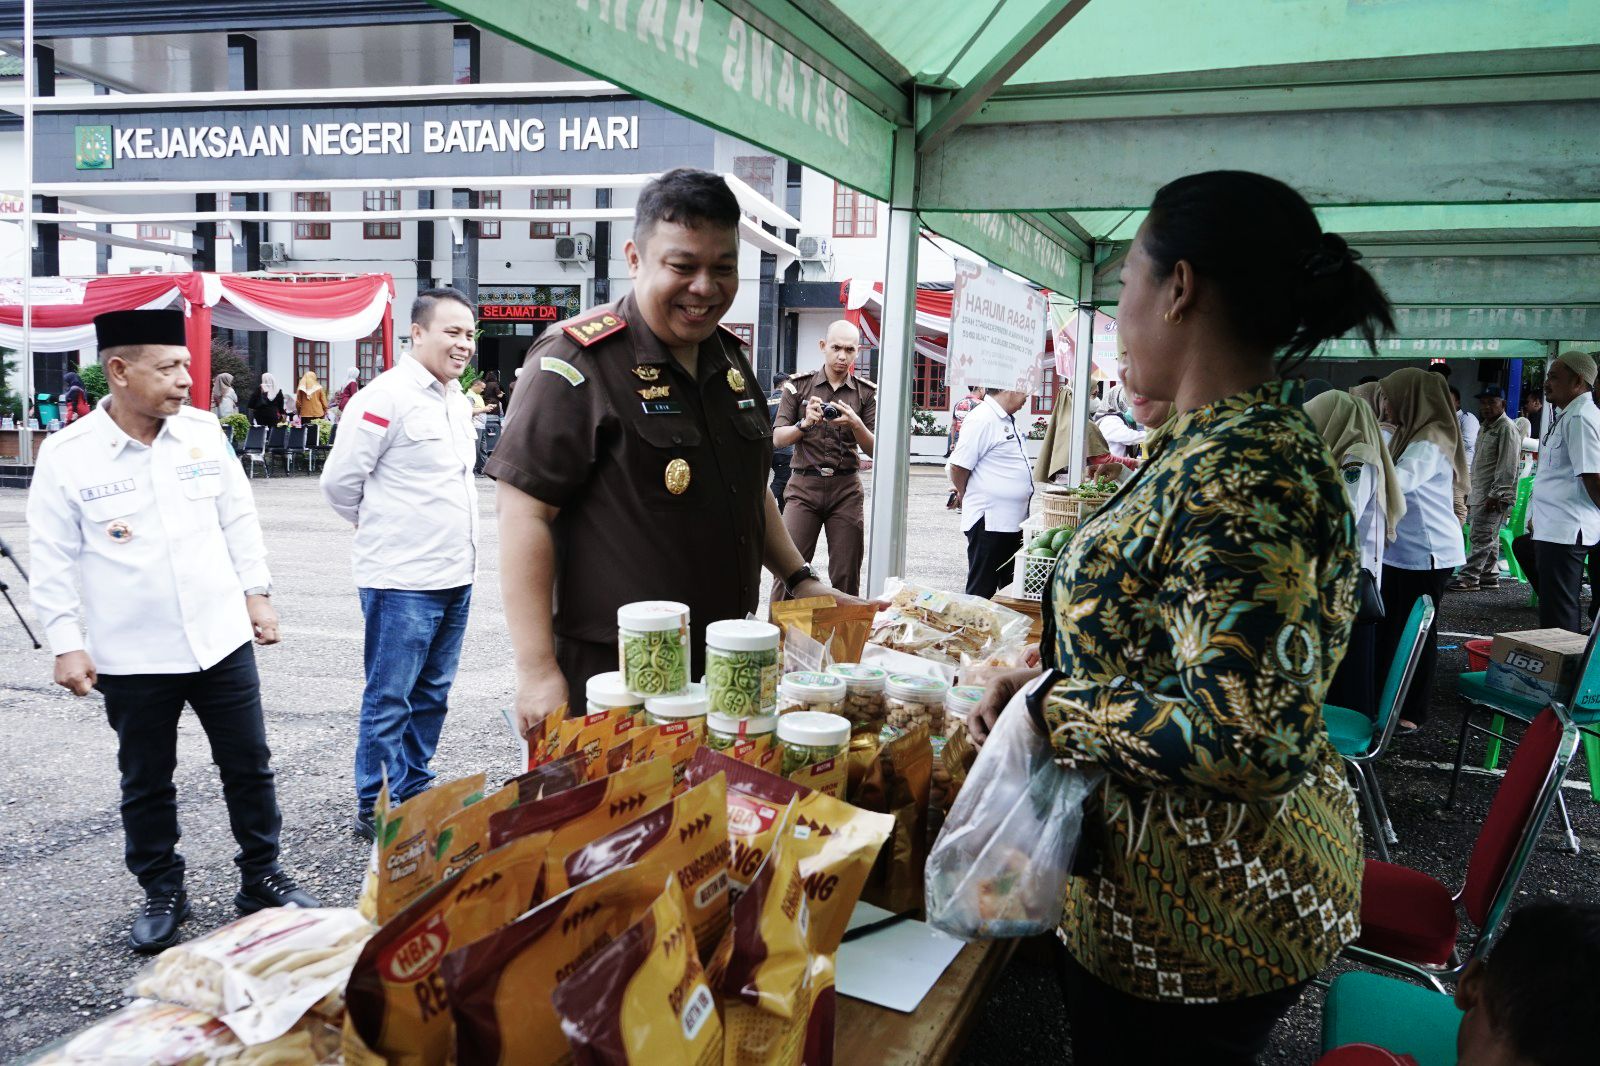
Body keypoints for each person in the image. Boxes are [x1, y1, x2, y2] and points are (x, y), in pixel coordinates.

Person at [968, 170, 1388, 1063]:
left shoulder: (1249, 471)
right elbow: (1173, 658)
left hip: (1206, 921)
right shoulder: (1208, 443)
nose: (1120, 311)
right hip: (1159, 902)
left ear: (1180, 288)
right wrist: (1044, 682)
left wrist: (1055, 708)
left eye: (1125, 284)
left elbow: (1249, 737)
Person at [485, 168, 859, 727]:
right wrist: (536, 671)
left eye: (723, 268)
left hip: (722, 671)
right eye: (683, 266)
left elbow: (746, 489)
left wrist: (801, 577)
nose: (705, 287)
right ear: (635, 259)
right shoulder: (575, 361)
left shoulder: (728, 359)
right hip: (614, 681)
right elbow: (524, 514)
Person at [26, 309, 318, 953]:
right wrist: (65, 640)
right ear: (120, 372)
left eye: (187, 365)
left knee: (249, 765)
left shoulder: (201, 433)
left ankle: (262, 876)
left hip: (220, 638)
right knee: (146, 777)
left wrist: (257, 593)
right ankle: (162, 888)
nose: (187, 379)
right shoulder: (70, 456)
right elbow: (50, 557)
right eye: (169, 367)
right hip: (132, 651)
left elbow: (237, 518)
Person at [319, 288, 481, 841]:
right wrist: (383, 527)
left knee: (433, 692)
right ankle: (376, 801)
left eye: (469, 334)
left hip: (455, 573)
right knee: (390, 696)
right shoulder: (383, 396)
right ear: (418, 333)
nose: (463, 344)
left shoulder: (457, 400)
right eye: (452, 332)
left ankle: (414, 785)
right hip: (401, 580)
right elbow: (340, 483)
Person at [1377, 366, 1467, 733]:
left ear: (1408, 398)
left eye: (1388, 395)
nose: (1383, 403)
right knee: (1394, 628)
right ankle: (1391, 700)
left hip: (1428, 554)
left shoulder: (1430, 440)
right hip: (1404, 552)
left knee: (1418, 633)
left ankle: (1414, 711)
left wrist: (1379, 433)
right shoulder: (1411, 434)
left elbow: (1396, 482)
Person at [1307, 390, 1404, 720]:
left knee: (1344, 679)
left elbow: (1341, 517)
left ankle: (1343, 747)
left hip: (1346, 585)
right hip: (1339, 579)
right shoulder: (1344, 453)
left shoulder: (1357, 457)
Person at [770, 320, 877, 599]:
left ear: (858, 351)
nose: (842, 356)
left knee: (846, 574)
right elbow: (778, 438)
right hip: (804, 487)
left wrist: (855, 424)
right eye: (836, 348)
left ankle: (843, 642)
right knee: (787, 571)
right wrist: (804, 424)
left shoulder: (866, 393)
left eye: (850, 350)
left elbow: (878, 449)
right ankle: (778, 640)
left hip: (846, 490)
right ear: (823, 347)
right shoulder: (798, 387)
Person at [1511, 350, 1600, 633]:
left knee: (1558, 617)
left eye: (1554, 377)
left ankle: (1565, 674)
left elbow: (1593, 478)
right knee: (1555, 606)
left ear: (1578, 381)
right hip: (1554, 527)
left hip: (1565, 528)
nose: (1547, 383)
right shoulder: (1569, 414)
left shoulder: (1580, 418)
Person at [947, 387, 1034, 599]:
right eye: (1024, 390)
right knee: (981, 592)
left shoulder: (1004, 419)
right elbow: (958, 466)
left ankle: (1000, 633)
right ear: (1008, 388)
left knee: (1010, 592)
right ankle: (973, 632)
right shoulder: (983, 417)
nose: (1028, 396)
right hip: (990, 521)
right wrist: (963, 492)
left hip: (1012, 523)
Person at [1451, 385, 1520, 592]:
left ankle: (1469, 578)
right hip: (1479, 490)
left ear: (1503, 404)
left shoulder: (1506, 427)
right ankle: (1489, 575)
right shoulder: (1486, 426)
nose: (1486, 407)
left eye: (1492, 402)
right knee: (1488, 534)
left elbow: (1508, 465)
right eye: (1483, 402)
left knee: (1481, 536)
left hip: (1493, 494)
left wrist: (1497, 494)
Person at [768, 374, 794, 510]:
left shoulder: (767, 402)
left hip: (771, 449)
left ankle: (783, 511)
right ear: (784, 385)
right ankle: (765, 506)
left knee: (784, 481)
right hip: (785, 449)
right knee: (781, 480)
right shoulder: (787, 401)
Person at [1447, 384, 1480, 465]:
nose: (1445, 403)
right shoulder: (1442, 420)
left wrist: (1441, 446)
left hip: (1465, 471)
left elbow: (1468, 442)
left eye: (1448, 400)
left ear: (1458, 403)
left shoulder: (1467, 418)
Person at [468, 377, 494, 475]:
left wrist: (486, 408)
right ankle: (473, 470)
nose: (483, 390)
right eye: (482, 388)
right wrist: (484, 410)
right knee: (475, 449)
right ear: (476, 385)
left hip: (481, 426)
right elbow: (469, 411)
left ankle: (483, 469)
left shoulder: (477, 395)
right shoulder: (470, 396)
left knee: (483, 448)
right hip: (475, 426)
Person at [948, 384, 983, 456]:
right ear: (980, 389)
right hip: (973, 437)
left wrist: (952, 442)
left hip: (959, 436)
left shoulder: (958, 403)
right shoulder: (981, 404)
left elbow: (953, 425)